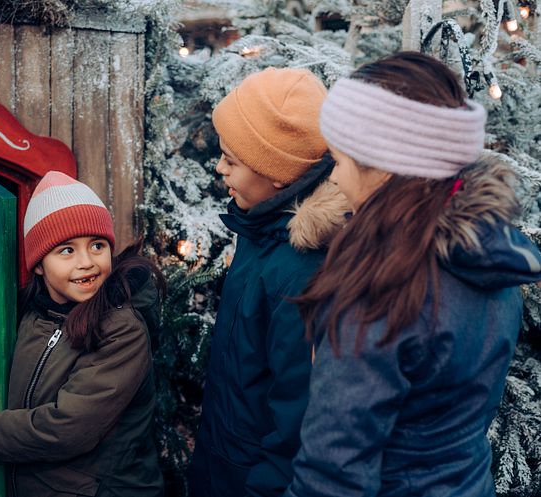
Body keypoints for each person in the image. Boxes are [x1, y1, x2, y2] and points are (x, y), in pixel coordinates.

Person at [285, 51, 541, 497]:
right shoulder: (489, 259)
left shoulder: (380, 293)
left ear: (385, 169)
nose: (337, 182)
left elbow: (331, 476)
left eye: (341, 163)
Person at [0, 171, 165, 497]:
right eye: (66, 251)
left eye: (97, 245)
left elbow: (72, 428)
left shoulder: (120, 328)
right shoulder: (31, 315)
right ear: (38, 264)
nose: (87, 262)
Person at [187, 67, 349, 497]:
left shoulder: (300, 275)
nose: (219, 168)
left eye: (232, 160)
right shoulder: (261, 231)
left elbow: (295, 425)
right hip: (223, 461)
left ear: (276, 172)